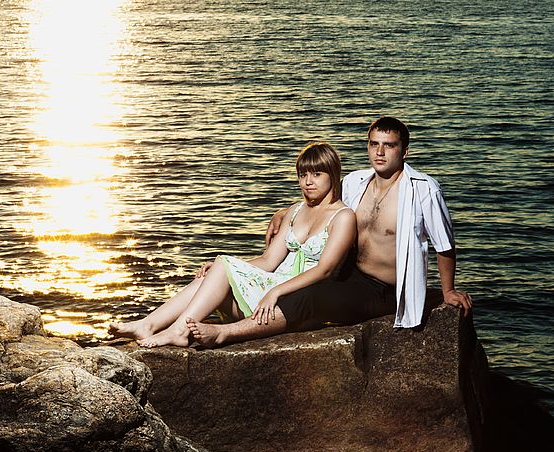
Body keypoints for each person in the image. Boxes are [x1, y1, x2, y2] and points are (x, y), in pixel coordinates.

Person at [185, 116, 472, 347]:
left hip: (386, 290)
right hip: (350, 275)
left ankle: (226, 333)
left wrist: (447, 291)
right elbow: (322, 199)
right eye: (374, 144)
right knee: (296, 282)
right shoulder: (357, 181)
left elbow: (444, 245)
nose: (380, 152)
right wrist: (282, 213)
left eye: (389, 145)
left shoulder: (423, 190)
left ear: (404, 151)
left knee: (310, 299)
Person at [109, 141, 357, 347]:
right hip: (269, 289)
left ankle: (179, 331)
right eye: (302, 175)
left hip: (295, 301)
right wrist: (225, 270)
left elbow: (324, 270)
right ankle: (149, 325)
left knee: (221, 267)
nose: (308, 181)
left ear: (333, 175)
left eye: (316, 174)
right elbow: (269, 260)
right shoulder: (295, 210)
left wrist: (276, 292)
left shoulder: (343, 217)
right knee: (214, 269)